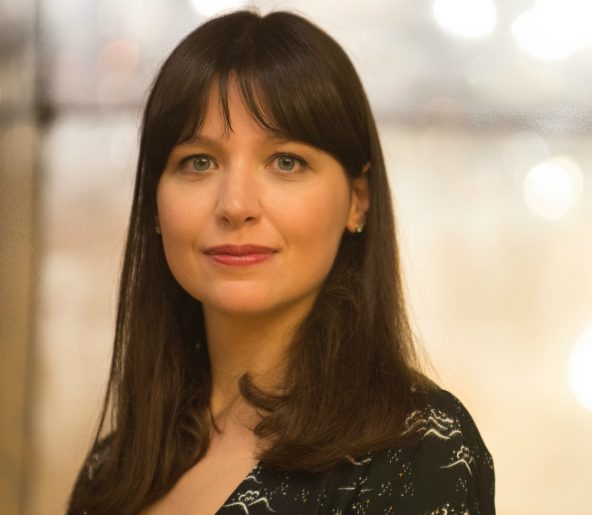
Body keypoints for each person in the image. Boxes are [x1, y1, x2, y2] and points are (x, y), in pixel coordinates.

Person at [67, 9, 494, 515]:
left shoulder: (418, 448)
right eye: (199, 162)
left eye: (286, 162)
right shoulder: (112, 468)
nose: (235, 205)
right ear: (154, 205)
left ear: (358, 200)